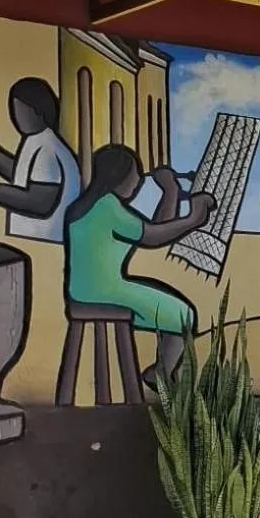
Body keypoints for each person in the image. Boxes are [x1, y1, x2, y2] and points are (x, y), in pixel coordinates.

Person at [63, 145, 214, 379]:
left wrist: (171, 191)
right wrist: (194, 219)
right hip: (106, 291)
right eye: (136, 174)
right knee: (184, 315)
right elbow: (154, 236)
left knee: (173, 308)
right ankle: (161, 373)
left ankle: (160, 372)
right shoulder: (108, 208)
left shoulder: (94, 205)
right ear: (119, 176)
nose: (140, 181)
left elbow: (156, 229)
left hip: (86, 290)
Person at [0, 76, 80, 241]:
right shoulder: (36, 140)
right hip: (35, 241)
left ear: (39, 112)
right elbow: (22, 173)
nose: (16, 117)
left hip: (46, 241)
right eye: (14, 110)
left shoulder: (48, 148)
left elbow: (39, 203)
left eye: (20, 110)